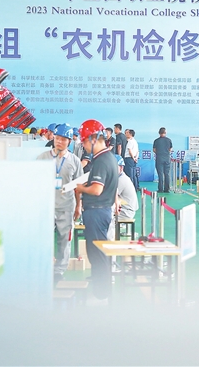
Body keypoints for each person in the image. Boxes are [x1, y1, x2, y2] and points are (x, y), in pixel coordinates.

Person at [75, 119, 119, 300]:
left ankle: (101, 294)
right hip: (102, 211)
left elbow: (96, 189)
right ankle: (101, 290)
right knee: (98, 252)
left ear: (93, 139)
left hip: (97, 212)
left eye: (84, 142)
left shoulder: (101, 161)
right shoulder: (109, 158)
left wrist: (79, 188)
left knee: (97, 254)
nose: (84, 146)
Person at [36, 123, 83, 284]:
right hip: (46, 207)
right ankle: (44, 267)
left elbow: (78, 186)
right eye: (57, 138)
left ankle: (59, 271)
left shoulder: (75, 161)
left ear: (69, 141)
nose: (59, 141)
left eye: (63, 139)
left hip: (66, 207)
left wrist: (79, 206)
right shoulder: (42, 158)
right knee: (43, 239)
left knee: (64, 240)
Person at [115, 155, 138, 221]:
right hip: (124, 209)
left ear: (121, 168)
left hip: (125, 212)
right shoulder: (118, 177)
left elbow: (109, 196)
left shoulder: (121, 180)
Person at [153, 127, 173, 193]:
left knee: (160, 174)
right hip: (167, 158)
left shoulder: (156, 141)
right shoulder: (169, 140)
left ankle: (160, 189)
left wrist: (159, 153)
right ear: (165, 132)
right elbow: (170, 149)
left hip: (159, 158)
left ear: (159, 133)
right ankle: (167, 189)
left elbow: (154, 150)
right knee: (167, 174)